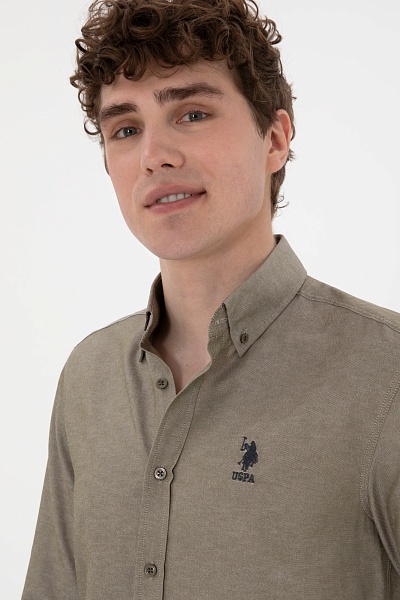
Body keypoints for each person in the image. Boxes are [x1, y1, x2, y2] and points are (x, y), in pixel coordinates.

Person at [22, 0, 400, 598]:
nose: (155, 155)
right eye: (126, 129)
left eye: (192, 114)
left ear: (274, 139)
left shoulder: (386, 375)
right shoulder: (89, 379)